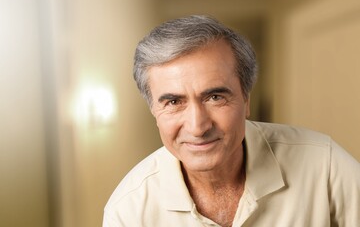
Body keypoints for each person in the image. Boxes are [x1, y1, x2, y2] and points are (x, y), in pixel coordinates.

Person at [103, 15, 360, 227]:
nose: (197, 126)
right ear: (153, 110)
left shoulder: (325, 166)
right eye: (173, 102)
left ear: (246, 99)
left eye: (215, 97)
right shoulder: (128, 211)